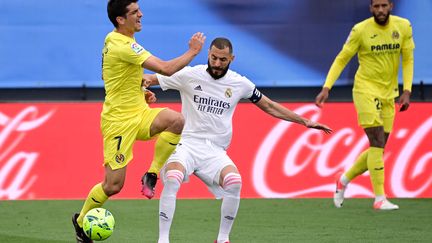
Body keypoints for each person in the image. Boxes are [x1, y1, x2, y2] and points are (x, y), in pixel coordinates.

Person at [142, 37, 332, 243]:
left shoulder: (240, 83)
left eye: (222, 60)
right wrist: (143, 90)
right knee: (172, 177)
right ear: (208, 54)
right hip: (186, 143)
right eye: (213, 57)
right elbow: (148, 79)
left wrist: (305, 121)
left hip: (215, 151)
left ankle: (223, 239)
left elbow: (270, 106)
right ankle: (163, 239)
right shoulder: (189, 75)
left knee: (235, 182)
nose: (216, 63)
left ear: (232, 58)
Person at [71, 0, 205, 242]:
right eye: (134, 12)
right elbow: (165, 68)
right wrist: (193, 51)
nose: (141, 14)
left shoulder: (115, 39)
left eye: (139, 9)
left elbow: (114, 74)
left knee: (176, 121)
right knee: (113, 186)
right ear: (120, 20)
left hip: (139, 112)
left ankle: (152, 174)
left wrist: (139, 90)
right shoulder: (123, 45)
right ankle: (80, 221)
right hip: (119, 123)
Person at [315, 0, 414, 210]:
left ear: (391, 6)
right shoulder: (360, 30)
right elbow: (342, 58)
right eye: (376, 6)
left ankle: (343, 179)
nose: (380, 10)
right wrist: (327, 87)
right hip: (365, 90)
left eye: (384, 5)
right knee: (377, 141)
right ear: (370, 8)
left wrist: (407, 90)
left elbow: (408, 58)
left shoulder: (403, 26)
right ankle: (379, 198)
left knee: (378, 147)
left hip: (389, 93)